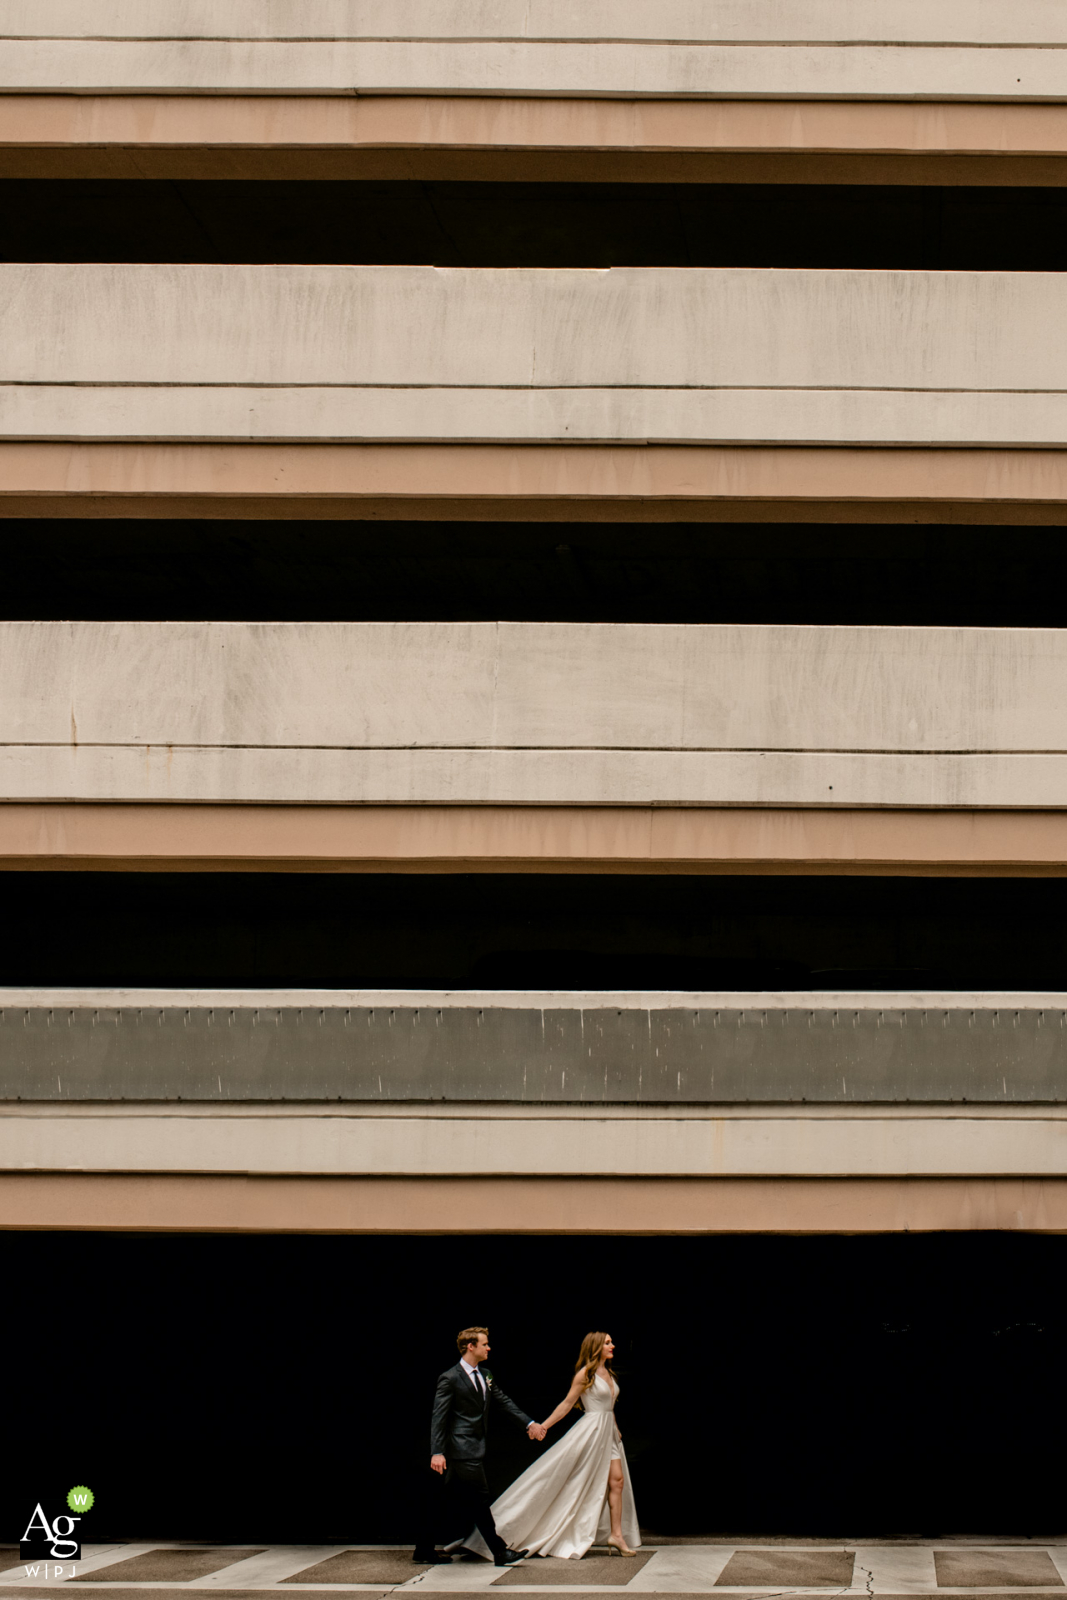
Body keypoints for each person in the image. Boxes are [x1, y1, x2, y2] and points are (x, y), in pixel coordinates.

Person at [457, 1331, 641, 1561]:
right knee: (571, 1479)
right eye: (607, 1342)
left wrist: (615, 1427)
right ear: (595, 1347)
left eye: (611, 1341)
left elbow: (609, 1405)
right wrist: (543, 1426)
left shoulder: (609, 1373)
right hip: (592, 1432)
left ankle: (617, 1535)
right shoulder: (586, 1374)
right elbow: (567, 1404)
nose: (612, 1345)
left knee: (618, 1481)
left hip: (609, 1433)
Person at [424, 1325, 542, 1568]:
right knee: (480, 1498)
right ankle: (500, 1552)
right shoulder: (450, 1378)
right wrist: (437, 1451)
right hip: (461, 1450)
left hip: (472, 1449)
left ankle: (422, 1549)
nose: (489, 1347)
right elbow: (439, 1417)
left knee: (442, 1499)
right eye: (485, 1343)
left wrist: (529, 1423)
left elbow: (504, 1402)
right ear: (471, 1346)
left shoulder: (486, 1375)